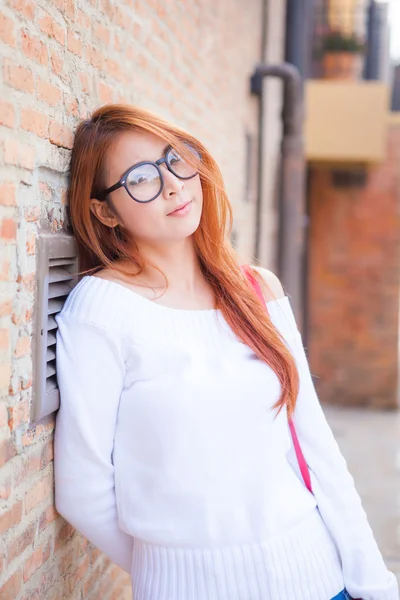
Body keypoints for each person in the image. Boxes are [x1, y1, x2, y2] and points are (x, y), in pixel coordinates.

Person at [54, 103, 398, 600]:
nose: (172, 184)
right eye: (140, 179)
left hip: (322, 580)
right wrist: (181, 571)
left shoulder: (257, 289)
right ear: (105, 210)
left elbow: (318, 450)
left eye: (176, 160)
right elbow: (82, 489)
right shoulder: (102, 309)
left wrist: (376, 585)